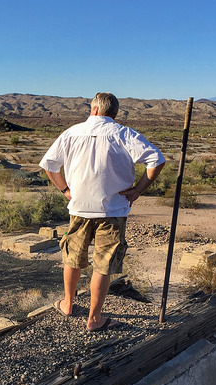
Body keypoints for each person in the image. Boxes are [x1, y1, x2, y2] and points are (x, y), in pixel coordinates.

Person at [39, 92, 165, 332]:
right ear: (114, 113)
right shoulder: (124, 134)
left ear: (93, 109)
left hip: (79, 208)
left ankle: (67, 304)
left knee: (72, 255)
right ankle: (94, 319)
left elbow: (49, 165)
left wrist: (65, 189)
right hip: (113, 210)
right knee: (104, 263)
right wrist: (138, 189)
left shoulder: (71, 133)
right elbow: (156, 161)